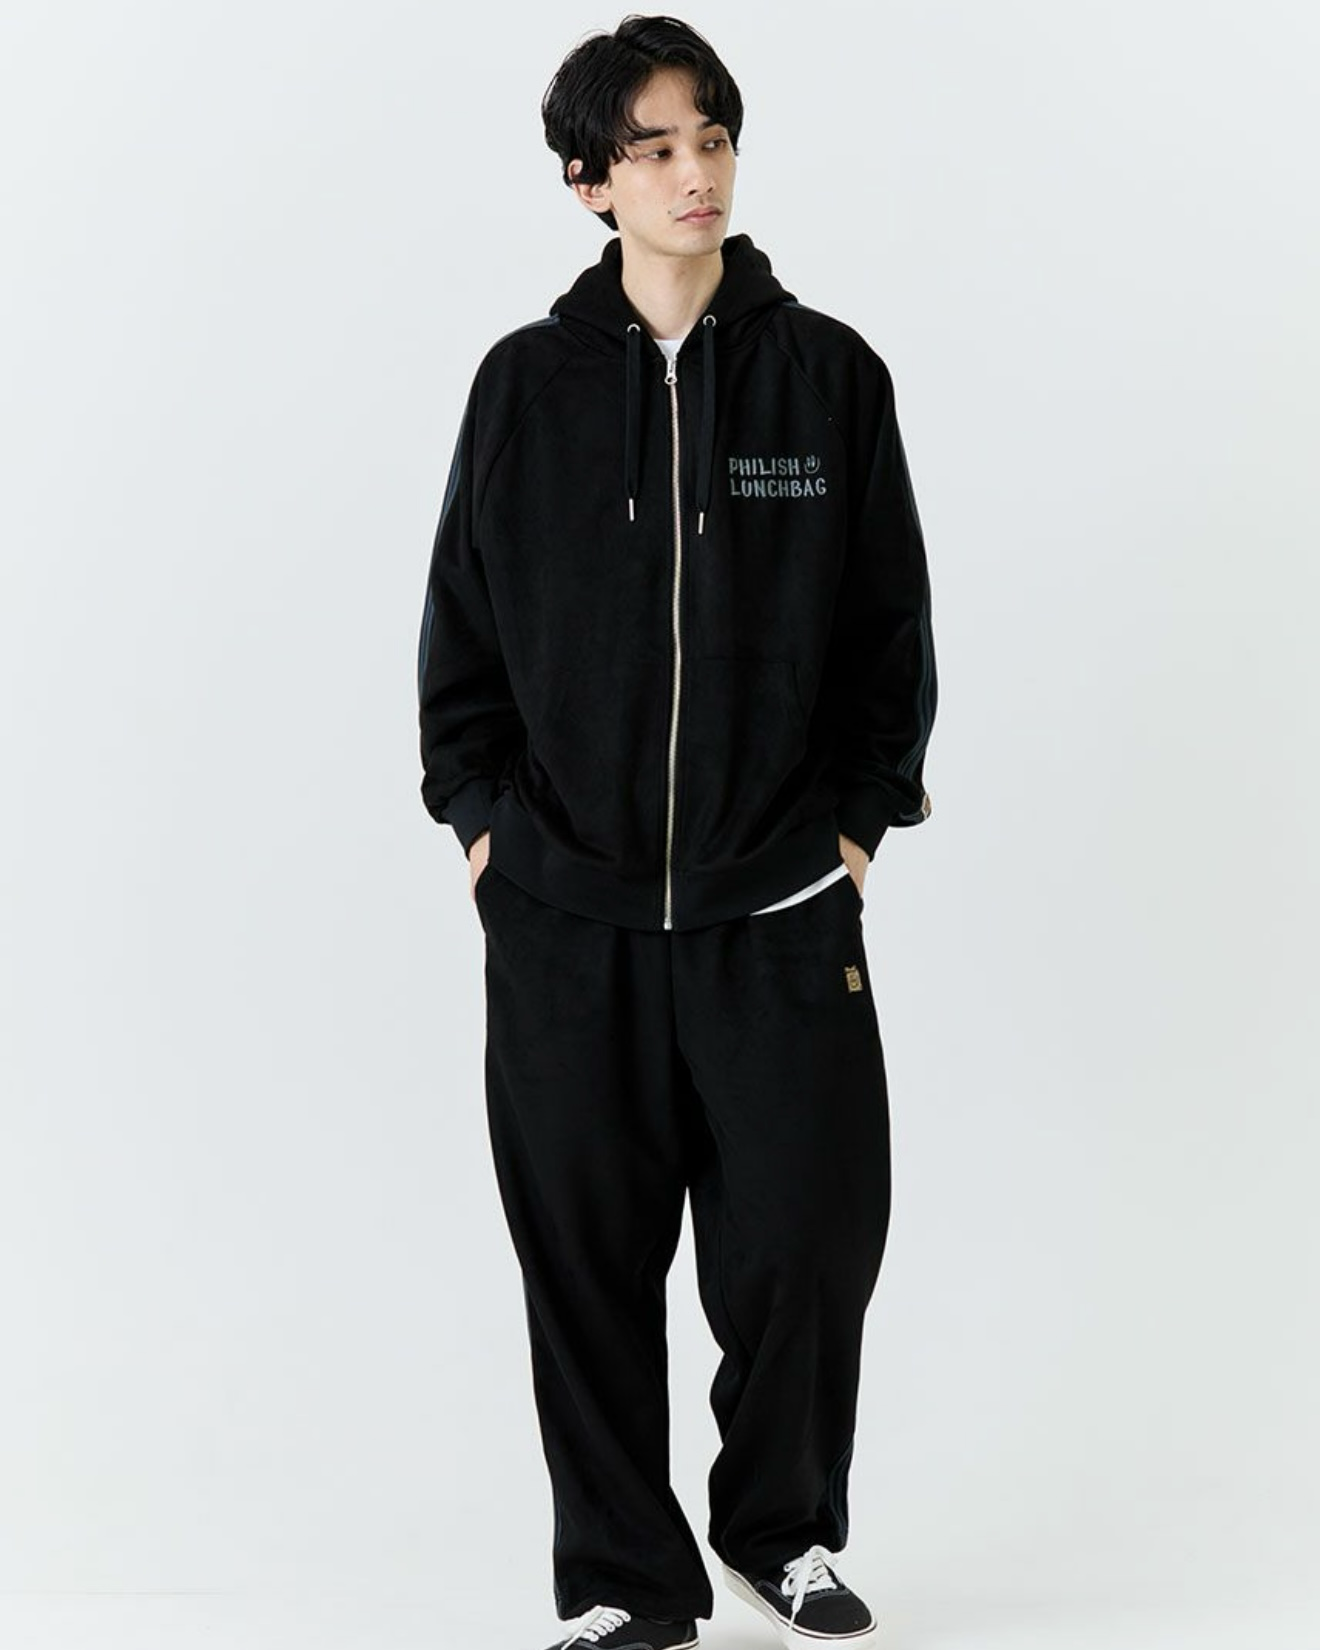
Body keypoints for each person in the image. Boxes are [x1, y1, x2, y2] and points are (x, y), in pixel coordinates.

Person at [416, 16, 937, 1649]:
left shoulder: (826, 377)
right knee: (583, 1261)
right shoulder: (524, 388)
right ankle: (623, 1581)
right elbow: (460, 649)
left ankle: (780, 1528)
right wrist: (488, 839)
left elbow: (888, 639)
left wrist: (854, 833)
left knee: (808, 1241)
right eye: (653, 147)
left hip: (775, 909)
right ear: (591, 181)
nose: (694, 171)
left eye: (709, 136)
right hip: (564, 918)